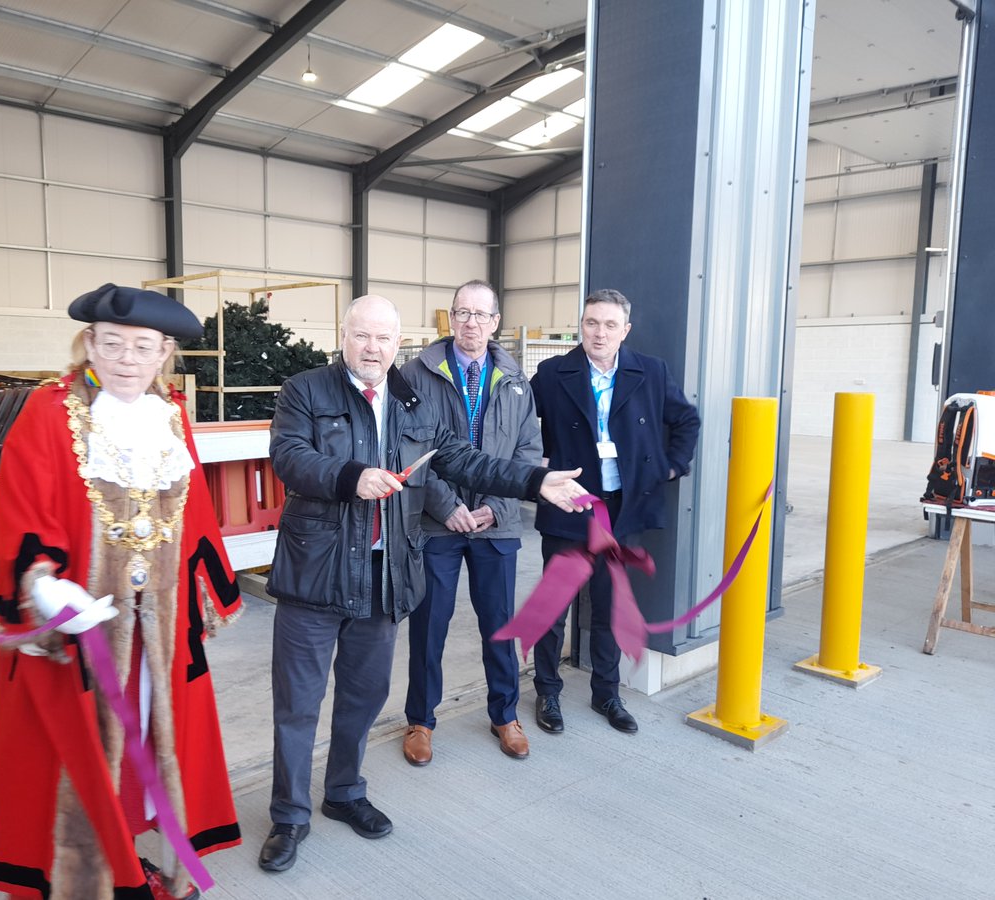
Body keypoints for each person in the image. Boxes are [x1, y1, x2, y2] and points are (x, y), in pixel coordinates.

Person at [259, 294, 591, 874]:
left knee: (363, 696)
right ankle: (288, 816)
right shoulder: (305, 390)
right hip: (315, 574)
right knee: (298, 704)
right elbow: (288, 457)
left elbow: (465, 460)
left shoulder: (412, 401)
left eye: (384, 338)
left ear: (398, 343)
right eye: (362, 336)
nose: (373, 349)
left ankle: (344, 791)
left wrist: (535, 483)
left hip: (384, 576)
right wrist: (350, 476)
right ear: (344, 335)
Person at [0, 284, 243, 900]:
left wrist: (202, 602)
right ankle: (89, 879)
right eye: (113, 343)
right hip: (77, 629)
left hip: (157, 629)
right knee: (73, 752)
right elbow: (20, 508)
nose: (126, 358)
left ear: (164, 353)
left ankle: (126, 863)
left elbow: (195, 512)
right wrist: (42, 589)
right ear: (89, 343)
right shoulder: (50, 410)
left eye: (143, 347)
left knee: (145, 743)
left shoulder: (171, 414)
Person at [530, 289, 700, 737]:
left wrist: (670, 466)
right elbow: (521, 424)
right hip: (570, 504)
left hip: (623, 509)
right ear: (581, 327)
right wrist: (536, 467)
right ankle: (547, 690)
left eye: (609, 325)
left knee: (609, 606)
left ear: (625, 330)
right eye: (591, 323)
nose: (599, 333)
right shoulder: (552, 373)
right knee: (553, 607)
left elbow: (687, 420)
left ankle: (606, 693)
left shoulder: (651, 372)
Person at [399, 280, 541, 765]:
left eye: (481, 315)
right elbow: (409, 448)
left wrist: (497, 507)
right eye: (462, 313)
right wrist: (445, 506)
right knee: (429, 626)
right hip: (438, 522)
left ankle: (505, 715)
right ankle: (421, 720)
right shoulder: (416, 375)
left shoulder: (516, 380)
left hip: (496, 524)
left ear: (495, 322)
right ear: (450, 318)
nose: (471, 323)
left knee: (499, 624)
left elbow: (528, 451)